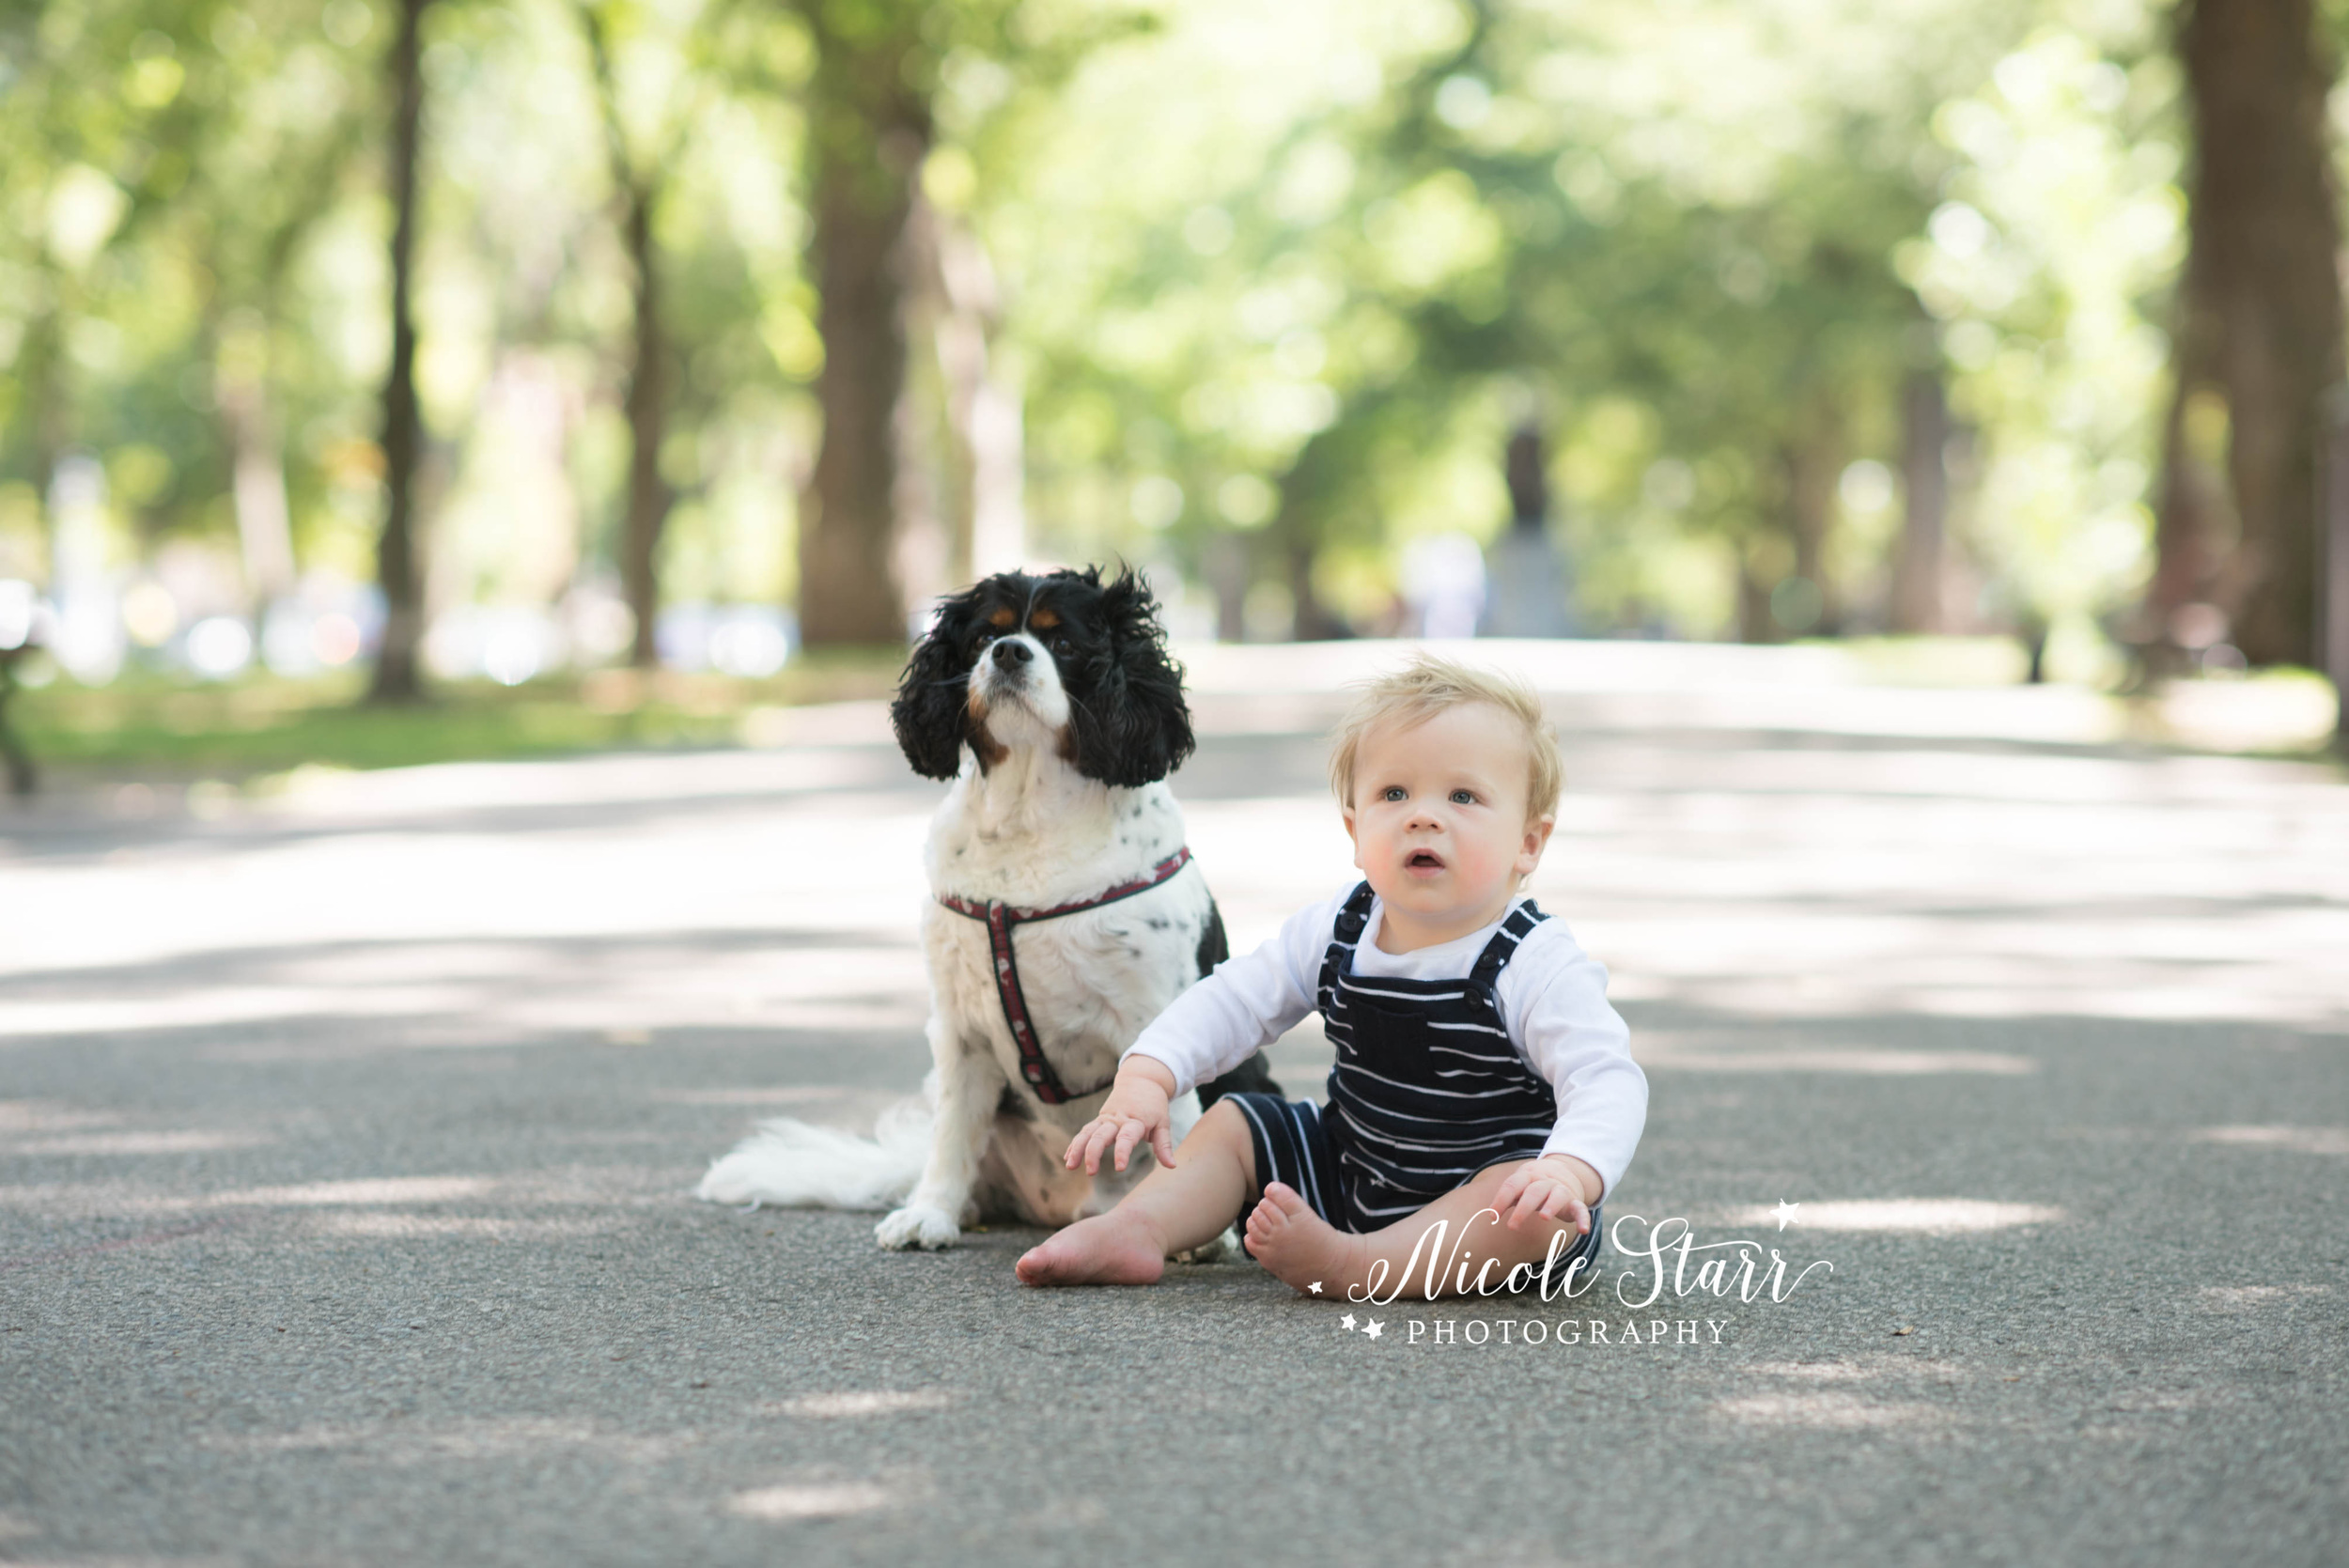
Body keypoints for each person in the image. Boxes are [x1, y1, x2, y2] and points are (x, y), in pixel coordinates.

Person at [1015, 654, 1646, 1299]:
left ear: (1528, 843)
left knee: (1536, 1215)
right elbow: (1233, 999)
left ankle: (1356, 1265)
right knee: (1239, 1122)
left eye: (1463, 796)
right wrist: (1149, 1072)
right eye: (1393, 793)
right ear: (1354, 828)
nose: (1423, 816)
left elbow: (1603, 1076)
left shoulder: (1533, 958)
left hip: (1481, 1203)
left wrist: (1570, 1170)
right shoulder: (1336, 930)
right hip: (1348, 1176)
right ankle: (1138, 1227)